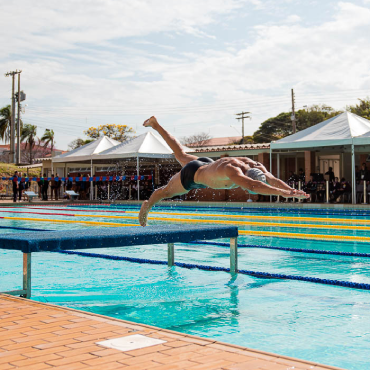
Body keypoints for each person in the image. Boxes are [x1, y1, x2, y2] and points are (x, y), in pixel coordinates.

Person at [139, 116, 309, 226]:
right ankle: (147, 206)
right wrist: (283, 193)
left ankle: (156, 124)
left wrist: (291, 190)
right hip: (193, 175)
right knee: (166, 192)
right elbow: (254, 185)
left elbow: (271, 179)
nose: (245, 189)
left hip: (206, 164)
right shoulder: (233, 172)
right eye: (245, 187)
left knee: (180, 153)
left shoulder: (254, 165)